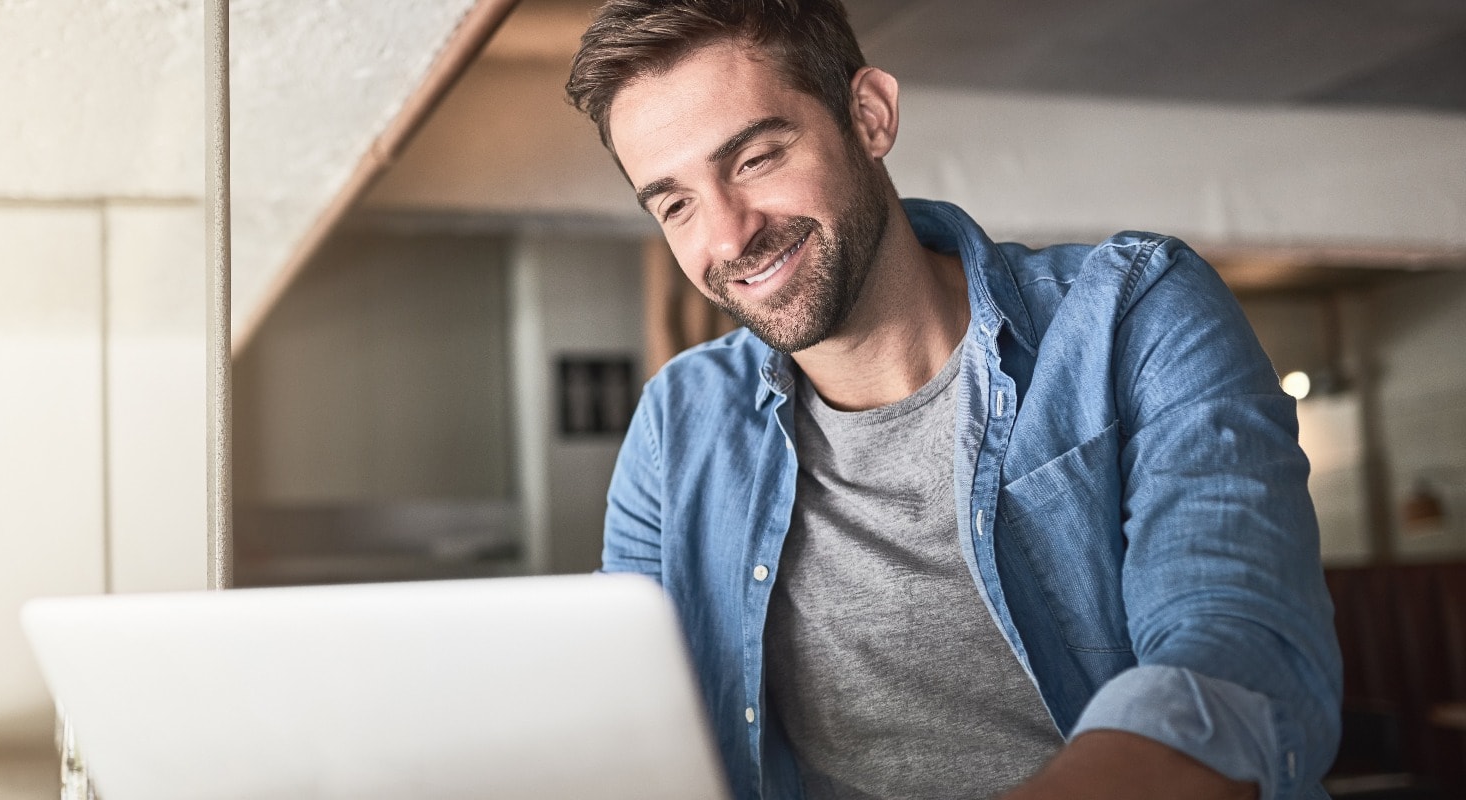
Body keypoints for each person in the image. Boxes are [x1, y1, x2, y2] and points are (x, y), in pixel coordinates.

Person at [565, 2, 1341, 799]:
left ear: (869, 116)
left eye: (756, 158)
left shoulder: (1133, 316)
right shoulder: (678, 423)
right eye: (676, 204)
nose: (727, 238)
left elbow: (1236, 665)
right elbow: (634, 721)